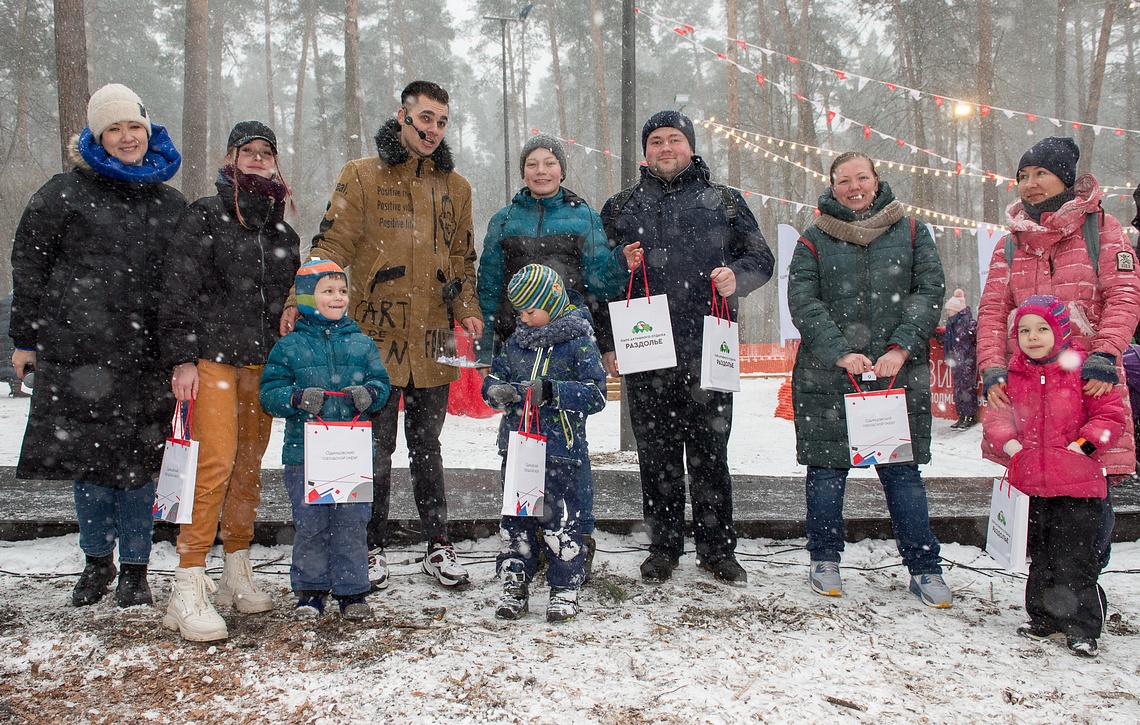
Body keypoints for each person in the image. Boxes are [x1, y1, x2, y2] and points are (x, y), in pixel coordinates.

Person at [292, 80, 483, 589]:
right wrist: (300, 299)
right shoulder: (362, 176)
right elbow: (330, 245)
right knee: (374, 448)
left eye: (442, 121)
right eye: (425, 119)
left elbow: (463, 260)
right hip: (376, 336)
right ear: (403, 116)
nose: (433, 130)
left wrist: (469, 310)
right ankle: (369, 545)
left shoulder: (457, 187)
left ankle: (437, 544)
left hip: (438, 337)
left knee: (430, 445)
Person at [9, 83, 185, 608]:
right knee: (90, 465)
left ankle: (135, 567)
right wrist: (24, 339)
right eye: (115, 128)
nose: (127, 137)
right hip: (78, 355)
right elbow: (29, 267)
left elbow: (183, 283)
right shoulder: (62, 194)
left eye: (135, 126)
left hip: (146, 358)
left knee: (139, 468)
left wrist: (183, 348)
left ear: (147, 130)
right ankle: (94, 563)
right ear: (96, 135)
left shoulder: (169, 202)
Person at [601, 110, 774, 585]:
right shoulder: (621, 207)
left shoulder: (726, 202)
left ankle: (718, 550)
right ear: (645, 152)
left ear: (691, 147)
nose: (665, 148)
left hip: (707, 349)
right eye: (655, 141)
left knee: (710, 453)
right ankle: (664, 547)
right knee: (655, 454)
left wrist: (736, 276)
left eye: (673, 139)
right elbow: (599, 279)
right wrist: (608, 336)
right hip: (645, 351)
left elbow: (762, 259)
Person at [787, 151, 952, 608]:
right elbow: (803, 299)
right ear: (832, 186)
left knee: (903, 474)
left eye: (862, 177)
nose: (853, 187)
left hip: (896, 374)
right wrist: (841, 351)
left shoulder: (913, 231)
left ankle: (923, 567)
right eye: (844, 180)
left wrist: (900, 346)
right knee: (825, 471)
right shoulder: (814, 238)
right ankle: (824, 558)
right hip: (828, 378)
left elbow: (929, 290)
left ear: (877, 180)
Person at [158, 121, 300, 641]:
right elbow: (178, 288)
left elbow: (292, 300)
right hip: (212, 360)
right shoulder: (204, 215)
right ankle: (187, 580)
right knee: (212, 465)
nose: (258, 160)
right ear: (231, 157)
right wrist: (182, 358)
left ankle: (235, 568)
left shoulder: (285, 232)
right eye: (249, 152)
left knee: (247, 468)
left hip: (261, 363)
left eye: (267, 153)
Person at [977, 137, 1140, 574]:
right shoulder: (1009, 243)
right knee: (1037, 479)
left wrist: (1105, 352)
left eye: (1040, 174)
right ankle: (1050, 588)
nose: (1029, 184)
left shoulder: (1102, 229)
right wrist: (991, 369)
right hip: (1027, 385)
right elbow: (993, 311)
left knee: (1090, 479)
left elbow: (1123, 296)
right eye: (1022, 177)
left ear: (1065, 178)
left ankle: (1085, 584)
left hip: (1088, 382)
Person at [477, 134, 624, 573]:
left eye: (549, 163)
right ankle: (528, 540)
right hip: (516, 343)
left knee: (566, 448)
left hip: (567, 343)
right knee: (522, 445)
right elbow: (488, 286)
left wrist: (608, 342)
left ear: (562, 170)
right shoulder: (503, 221)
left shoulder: (583, 218)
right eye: (532, 164)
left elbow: (600, 284)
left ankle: (574, 536)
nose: (541, 171)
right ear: (523, 172)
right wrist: (489, 344)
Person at [982, 295, 1124, 658]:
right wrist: (1011, 447)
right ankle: (1043, 617)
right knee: (1041, 556)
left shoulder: (1083, 370)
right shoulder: (1013, 375)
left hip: (1079, 489)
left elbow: (1110, 418)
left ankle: (1082, 628)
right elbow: (997, 419)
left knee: (1075, 560)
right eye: (1025, 330)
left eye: (1042, 328)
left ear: (1061, 330)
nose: (1033, 337)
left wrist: (1085, 447)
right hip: (1032, 487)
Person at [260, 260, 391, 620]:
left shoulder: (362, 344)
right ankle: (311, 589)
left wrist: (369, 394)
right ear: (306, 298)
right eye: (328, 291)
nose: (338, 298)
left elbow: (382, 386)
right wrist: (296, 398)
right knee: (311, 524)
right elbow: (269, 393)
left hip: (350, 456)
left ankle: (352, 591)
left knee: (351, 522)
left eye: (343, 291)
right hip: (305, 455)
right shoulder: (289, 348)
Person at [482, 264, 606, 622]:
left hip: (560, 452)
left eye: (530, 310)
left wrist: (551, 391)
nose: (523, 317)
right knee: (516, 519)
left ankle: (565, 586)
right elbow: (494, 378)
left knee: (560, 522)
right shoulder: (515, 343)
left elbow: (596, 395)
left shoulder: (578, 343)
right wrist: (495, 390)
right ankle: (514, 580)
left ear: (551, 301)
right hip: (519, 450)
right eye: (519, 311)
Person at [942, 289, 978, 429]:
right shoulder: (953, 324)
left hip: (967, 359)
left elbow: (975, 334)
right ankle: (962, 415)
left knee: (966, 387)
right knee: (958, 388)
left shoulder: (967, 322)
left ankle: (970, 416)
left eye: (949, 310)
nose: (947, 312)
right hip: (958, 359)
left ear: (956, 310)